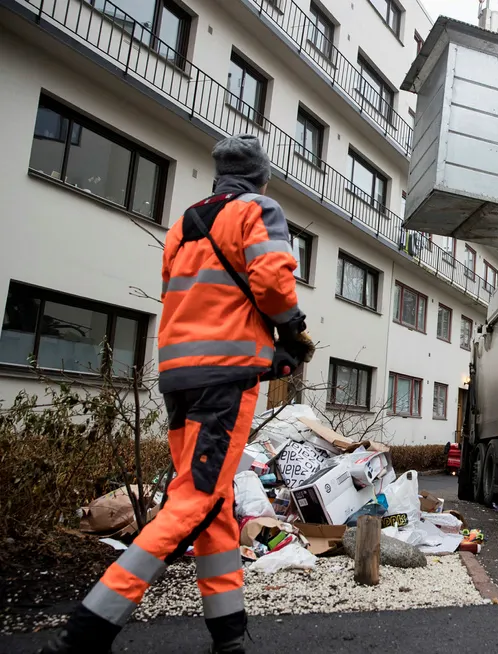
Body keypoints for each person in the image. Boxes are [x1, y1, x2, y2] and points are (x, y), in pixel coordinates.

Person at [42, 135, 315, 654]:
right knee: (193, 501)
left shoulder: (184, 225)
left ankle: (229, 639)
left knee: (214, 502)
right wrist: (289, 332)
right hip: (223, 381)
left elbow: (197, 304)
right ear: (261, 176)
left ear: (217, 177)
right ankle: (84, 634)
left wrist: (265, 353)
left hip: (178, 379)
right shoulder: (259, 209)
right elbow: (273, 281)